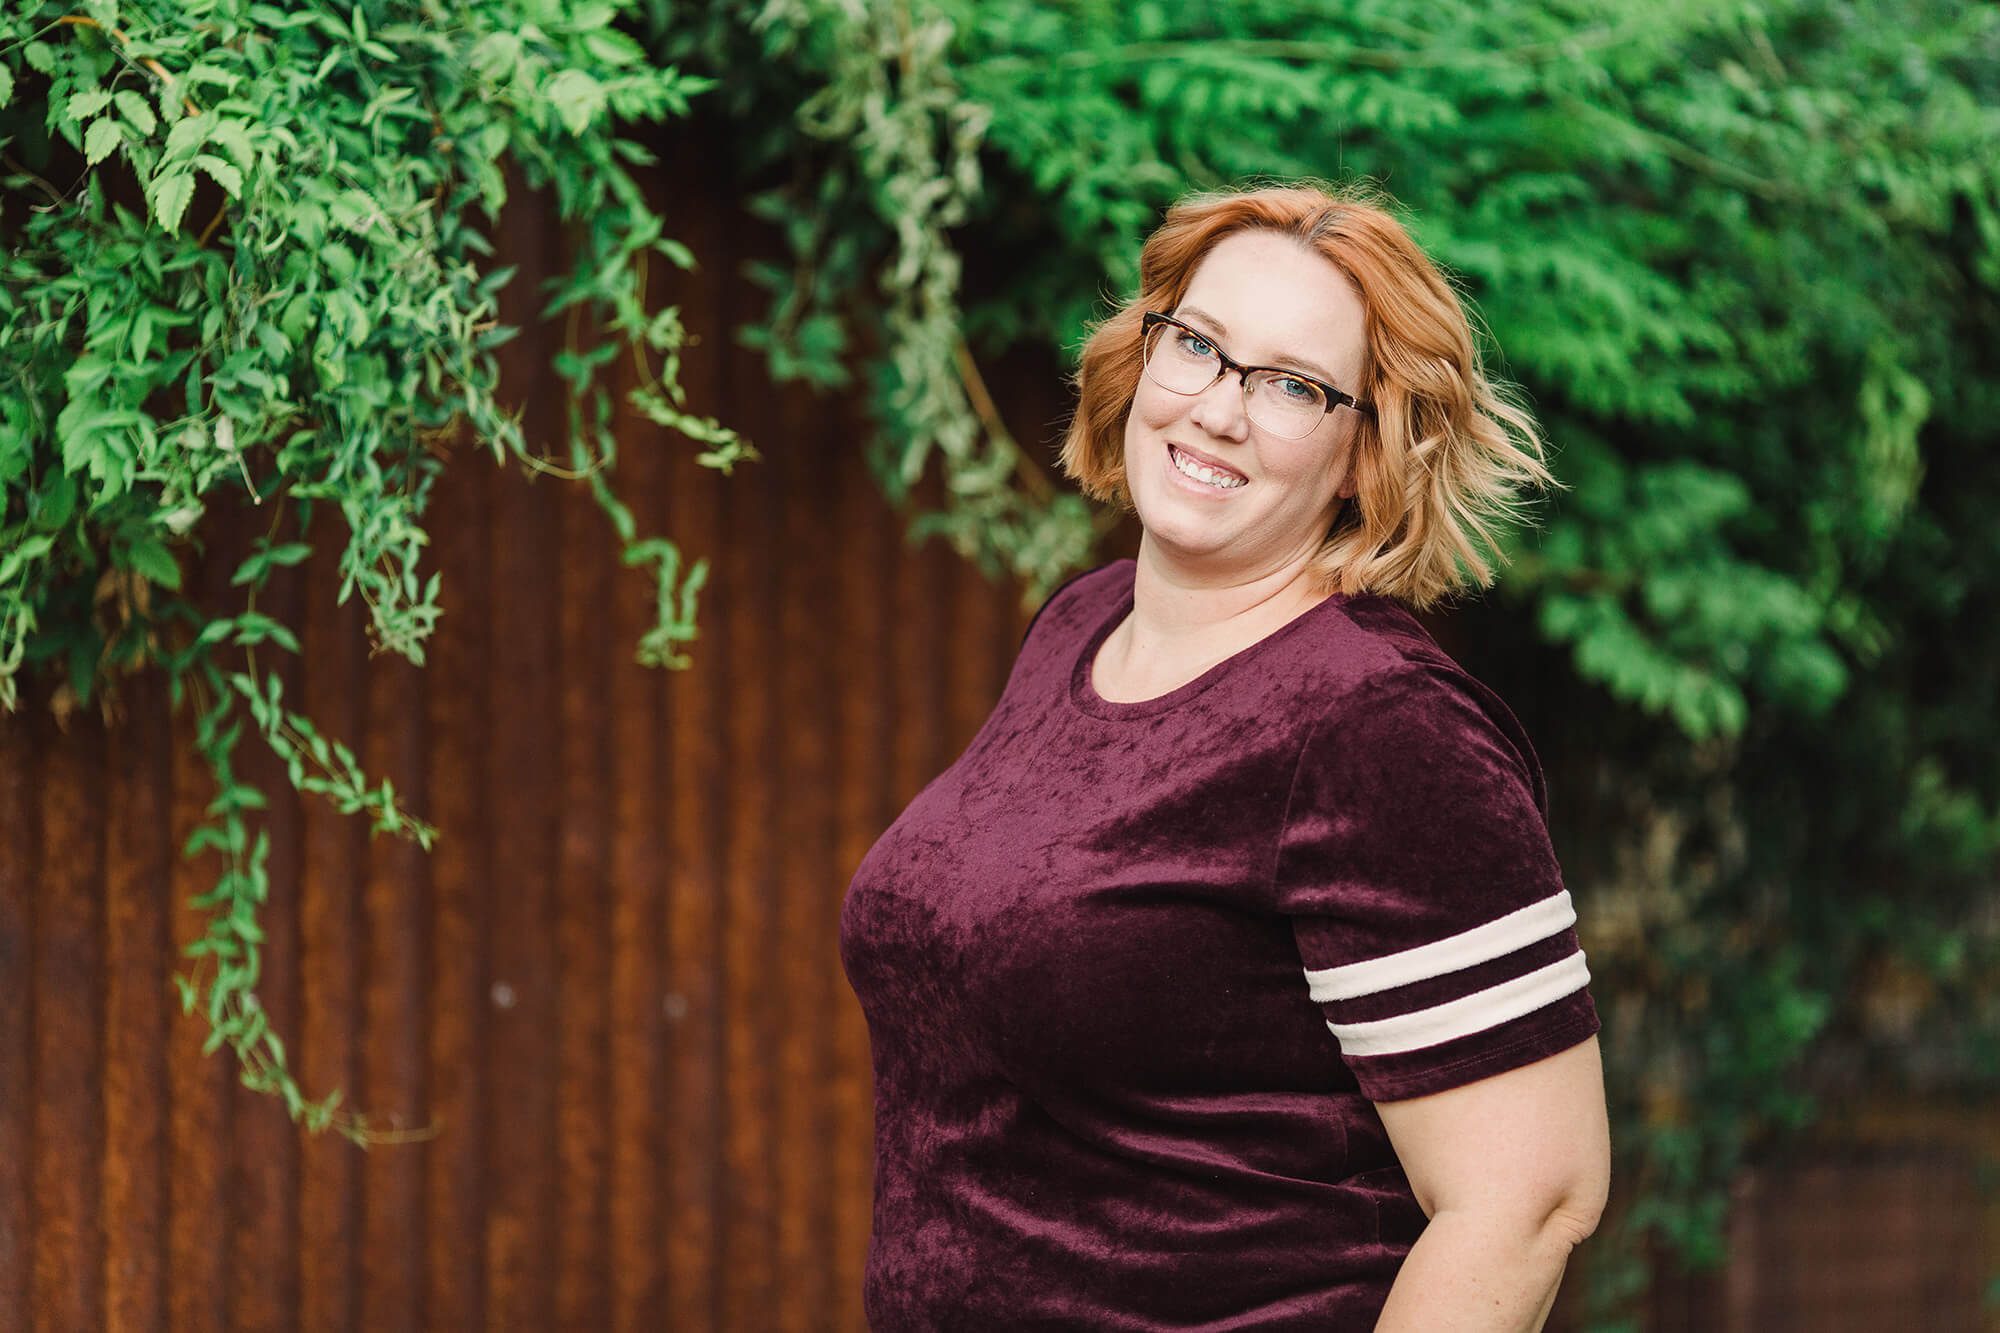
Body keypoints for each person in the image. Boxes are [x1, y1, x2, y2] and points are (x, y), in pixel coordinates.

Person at [838, 180, 1611, 1331]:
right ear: (1141, 358)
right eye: (1196, 347)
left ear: (1364, 452)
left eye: (1294, 386)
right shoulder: (1081, 627)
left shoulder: (1379, 725)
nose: (1217, 409)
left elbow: (1527, 1196)